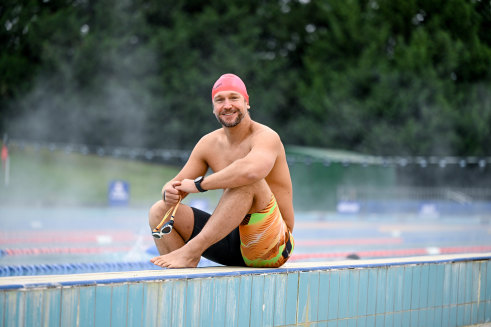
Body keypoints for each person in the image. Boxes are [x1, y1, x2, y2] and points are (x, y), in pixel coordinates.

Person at [149, 73, 294, 268]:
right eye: (220, 100)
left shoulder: (266, 137)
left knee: (246, 180)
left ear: (246, 102)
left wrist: (200, 185)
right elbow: (176, 185)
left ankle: (190, 252)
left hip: (271, 245)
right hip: (230, 242)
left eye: (234, 98)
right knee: (159, 211)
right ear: (213, 108)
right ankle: (181, 275)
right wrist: (169, 191)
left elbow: (250, 172)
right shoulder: (208, 143)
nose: (227, 105)